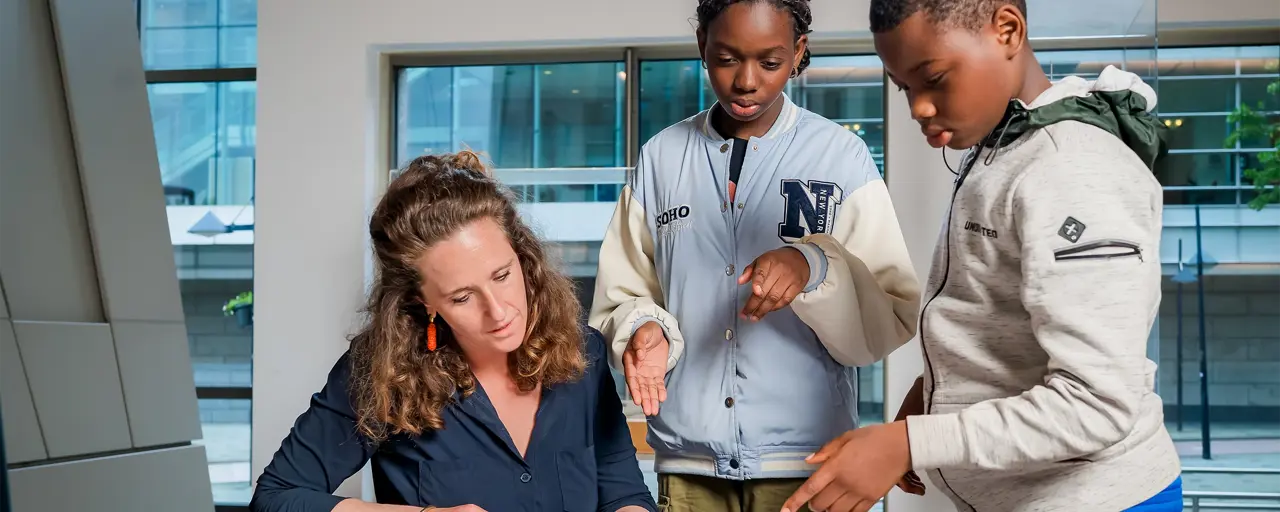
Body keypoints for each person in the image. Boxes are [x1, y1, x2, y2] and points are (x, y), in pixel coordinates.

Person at [781, 1, 1183, 511]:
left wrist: (910, 442)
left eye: (935, 79)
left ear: (1008, 30)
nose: (918, 109)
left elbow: (1098, 404)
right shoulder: (1006, 147)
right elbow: (999, 320)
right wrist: (930, 397)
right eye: (905, 88)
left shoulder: (1071, 168)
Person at [588, 0, 921, 510]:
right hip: (689, 466)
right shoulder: (661, 157)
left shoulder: (841, 157)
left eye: (769, 62)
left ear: (798, 53)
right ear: (702, 46)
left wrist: (814, 266)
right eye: (726, 59)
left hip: (811, 464)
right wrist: (643, 329)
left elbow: (891, 311)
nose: (746, 81)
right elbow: (624, 293)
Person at [250, 151, 657, 512]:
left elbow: (623, 493)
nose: (499, 311)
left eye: (502, 275)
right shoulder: (381, 370)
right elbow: (276, 496)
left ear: (522, 256)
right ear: (424, 301)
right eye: (462, 297)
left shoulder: (583, 350)